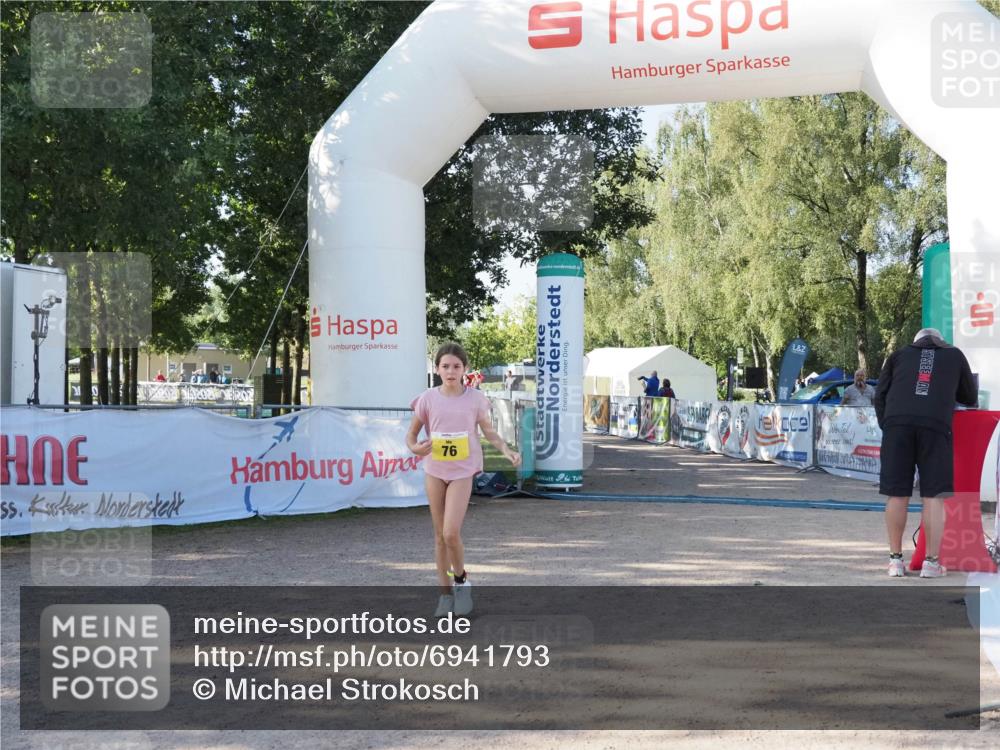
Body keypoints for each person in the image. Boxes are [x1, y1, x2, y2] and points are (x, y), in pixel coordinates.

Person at [408, 343, 521, 617]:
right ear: (437, 369)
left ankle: (461, 582)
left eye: (456, 366)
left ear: (465, 369)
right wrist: (415, 448)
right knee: (439, 537)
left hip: (462, 471)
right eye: (445, 366)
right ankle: (445, 596)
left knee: (450, 533)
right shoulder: (427, 399)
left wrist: (506, 450)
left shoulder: (475, 399)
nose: (450, 371)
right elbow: (411, 436)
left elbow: (488, 431)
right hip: (435, 470)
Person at [874, 328, 978, 579]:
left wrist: (888, 426)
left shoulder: (898, 355)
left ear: (915, 342)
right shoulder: (954, 354)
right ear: (940, 340)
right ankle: (931, 563)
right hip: (935, 426)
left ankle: (895, 561)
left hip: (897, 425)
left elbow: (880, 396)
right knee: (934, 495)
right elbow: (969, 397)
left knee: (897, 493)